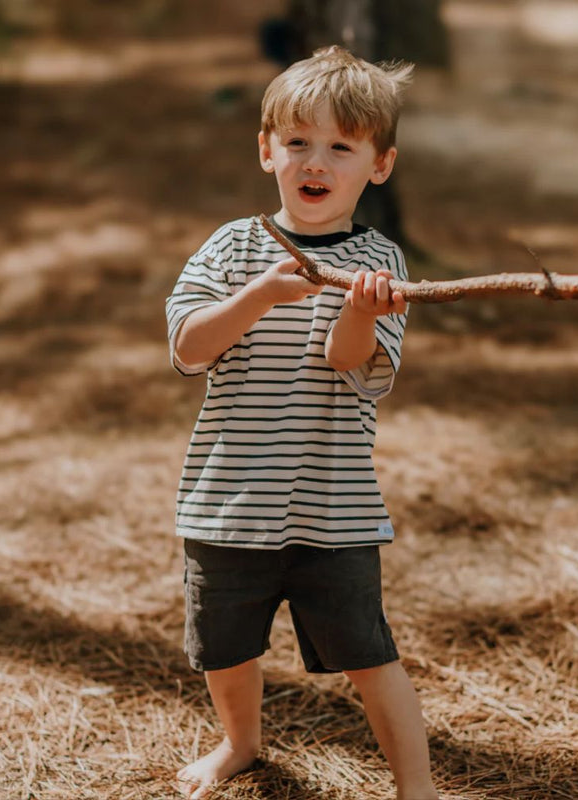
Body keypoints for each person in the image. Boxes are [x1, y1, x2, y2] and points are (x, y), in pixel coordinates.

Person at [166, 46, 438, 800]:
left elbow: (351, 364)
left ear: (378, 165)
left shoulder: (380, 263)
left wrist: (358, 308)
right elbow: (189, 349)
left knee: (368, 651)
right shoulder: (232, 247)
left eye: (341, 147)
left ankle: (417, 788)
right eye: (298, 143)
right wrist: (256, 296)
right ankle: (240, 743)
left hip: (333, 509)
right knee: (225, 647)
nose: (315, 161)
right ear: (267, 151)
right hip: (227, 505)